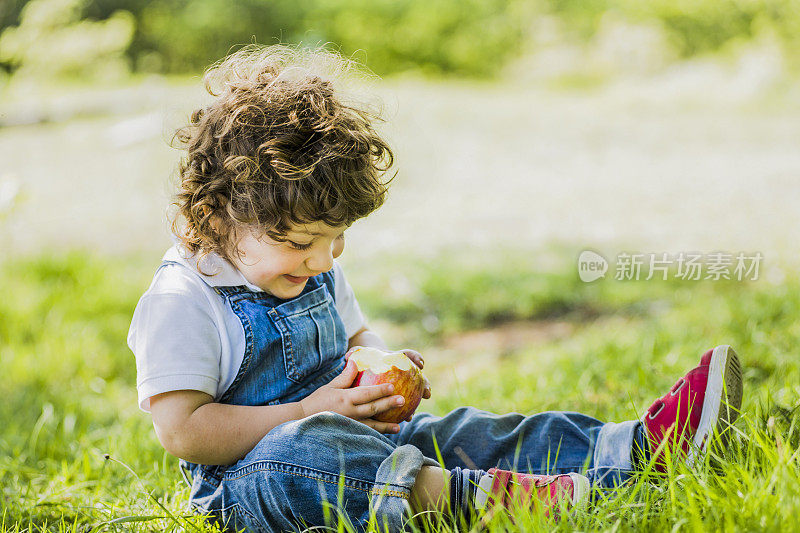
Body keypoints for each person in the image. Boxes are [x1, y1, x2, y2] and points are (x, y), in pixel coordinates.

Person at [127, 44, 744, 532]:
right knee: (307, 458)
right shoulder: (184, 302)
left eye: (336, 235)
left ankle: (634, 449)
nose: (324, 258)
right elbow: (184, 430)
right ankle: (497, 504)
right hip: (251, 486)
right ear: (219, 217)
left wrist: (389, 367)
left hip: (371, 443)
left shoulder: (308, 269)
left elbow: (356, 336)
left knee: (468, 433)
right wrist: (307, 413)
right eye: (301, 242)